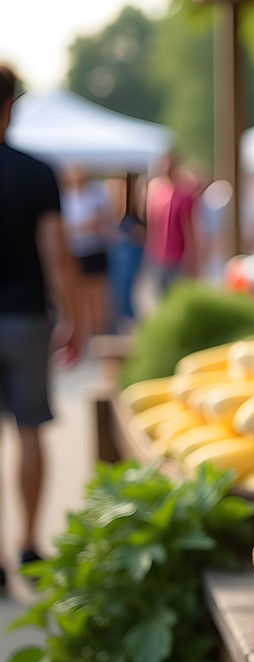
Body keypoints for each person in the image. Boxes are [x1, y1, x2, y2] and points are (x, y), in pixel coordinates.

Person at [0, 65, 83, 586]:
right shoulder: (36, 172)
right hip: (26, 316)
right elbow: (57, 255)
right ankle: (29, 543)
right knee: (30, 430)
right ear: (12, 104)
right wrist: (74, 315)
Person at [62, 164, 113, 338]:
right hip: (75, 252)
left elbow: (95, 224)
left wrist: (75, 228)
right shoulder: (66, 196)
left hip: (93, 251)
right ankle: (86, 330)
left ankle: (98, 330)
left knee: (96, 294)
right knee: (79, 295)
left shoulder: (95, 195)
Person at [145, 150, 198, 298]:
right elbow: (152, 225)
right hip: (159, 255)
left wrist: (192, 258)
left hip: (178, 256)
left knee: (177, 296)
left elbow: (189, 229)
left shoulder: (184, 195)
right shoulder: (156, 192)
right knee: (160, 295)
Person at [108, 174, 146, 332]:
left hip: (131, 246)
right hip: (123, 245)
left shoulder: (138, 194)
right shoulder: (116, 196)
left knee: (127, 287)